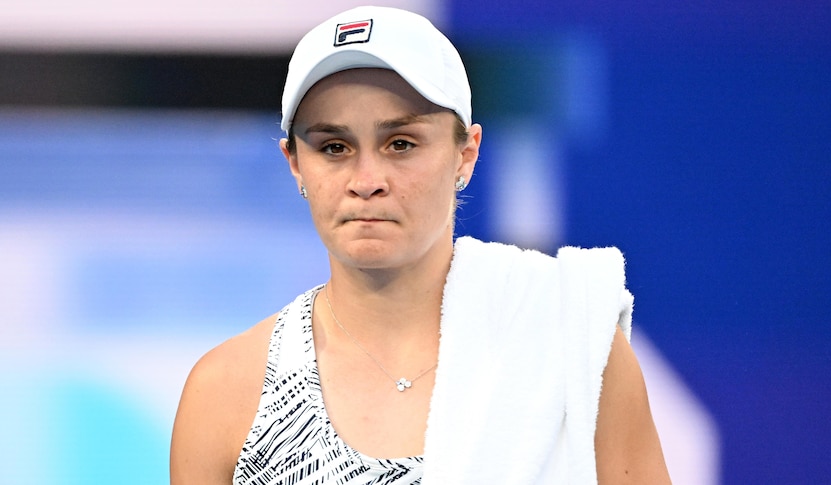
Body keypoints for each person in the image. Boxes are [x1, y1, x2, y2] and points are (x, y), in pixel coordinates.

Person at [170, 5, 671, 484]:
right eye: (334, 147)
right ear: (295, 163)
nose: (367, 180)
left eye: (401, 144)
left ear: (465, 155)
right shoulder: (227, 393)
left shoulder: (570, 344)